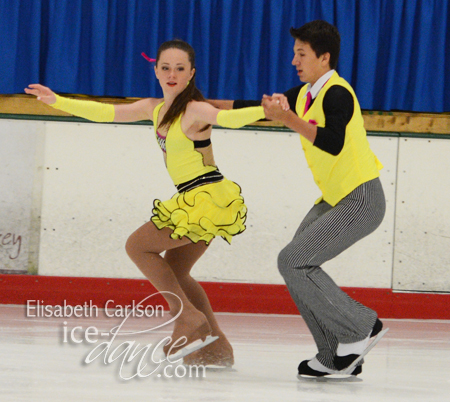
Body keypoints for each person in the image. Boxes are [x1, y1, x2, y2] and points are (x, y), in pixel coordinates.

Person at [25, 39, 265, 368]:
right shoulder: (154, 108)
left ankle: (186, 317)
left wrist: (267, 111)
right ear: (156, 71)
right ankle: (217, 348)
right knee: (178, 272)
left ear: (191, 73)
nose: (172, 74)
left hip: (205, 199)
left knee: (137, 246)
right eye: (165, 67)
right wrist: (57, 101)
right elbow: (105, 113)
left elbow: (228, 118)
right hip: (199, 200)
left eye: (179, 68)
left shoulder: (195, 109)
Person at [212, 20, 386, 378]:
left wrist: (287, 118)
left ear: (324, 58)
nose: (294, 61)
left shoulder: (337, 93)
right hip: (335, 198)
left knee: (293, 260)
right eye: (295, 53)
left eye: (301, 54)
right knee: (293, 266)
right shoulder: (306, 94)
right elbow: (254, 107)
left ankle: (361, 326)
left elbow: (332, 142)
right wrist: (199, 104)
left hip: (361, 198)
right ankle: (334, 355)